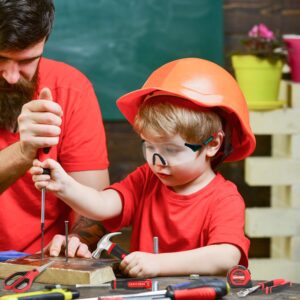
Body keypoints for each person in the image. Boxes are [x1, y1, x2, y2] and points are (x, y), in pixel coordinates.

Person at [31, 58, 256, 277]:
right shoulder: (147, 179)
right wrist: (64, 185)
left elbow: (227, 256)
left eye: (171, 150)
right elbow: (102, 206)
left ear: (212, 144)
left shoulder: (224, 199)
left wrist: (158, 264)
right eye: (149, 146)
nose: (157, 161)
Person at [0, 0, 109, 256]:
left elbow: (95, 208)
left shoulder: (71, 90)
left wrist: (76, 242)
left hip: (40, 265)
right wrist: (24, 151)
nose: (12, 76)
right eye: (1, 58)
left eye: (27, 61)